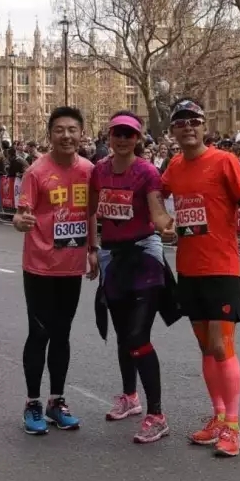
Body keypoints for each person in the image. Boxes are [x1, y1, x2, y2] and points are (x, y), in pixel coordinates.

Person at [161, 99, 240, 458]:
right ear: (173, 131)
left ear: (204, 126)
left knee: (221, 347)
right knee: (205, 347)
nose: (188, 127)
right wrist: (163, 221)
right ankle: (218, 417)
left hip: (221, 266)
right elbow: (156, 194)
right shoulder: (174, 165)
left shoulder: (224, 161)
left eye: (195, 121)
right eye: (181, 122)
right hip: (188, 267)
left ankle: (233, 426)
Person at [89, 111, 176, 444]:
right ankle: (130, 397)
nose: (123, 139)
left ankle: (157, 415)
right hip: (112, 257)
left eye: (129, 134)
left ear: (138, 138)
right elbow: (91, 210)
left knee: (138, 335)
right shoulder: (98, 171)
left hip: (143, 256)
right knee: (124, 334)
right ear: (109, 136)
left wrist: (166, 226)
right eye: (118, 133)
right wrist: (92, 249)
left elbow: (157, 211)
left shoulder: (147, 172)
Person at [13, 106, 98, 436]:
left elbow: (90, 213)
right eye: (60, 130)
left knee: (62, 334)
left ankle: (56, 401)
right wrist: (20, 222)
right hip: (39, 266)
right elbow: (21, 213)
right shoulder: (36, 172)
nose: (66, 135)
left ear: (81, 134)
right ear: (50, 134)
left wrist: (93, 249)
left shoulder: (89, 170)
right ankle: (33, 402)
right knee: (39, 334)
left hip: (71, 268)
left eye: (72, 130)